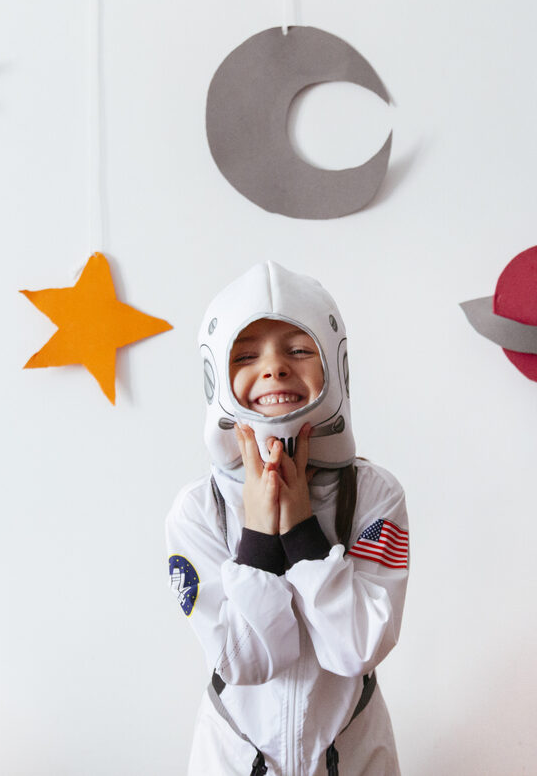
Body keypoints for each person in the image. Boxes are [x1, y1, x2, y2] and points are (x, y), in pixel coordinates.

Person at [166, 261, 410, 776]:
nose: (274, 368)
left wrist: (302, 532)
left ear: (336, 363)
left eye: (298, 350)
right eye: (246, 355)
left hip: (353, 756)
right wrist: (257, 534)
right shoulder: (199, 510)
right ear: (214, 373)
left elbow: (358, 648)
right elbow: (244, 660)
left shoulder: (373, 494)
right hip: (232, 758)